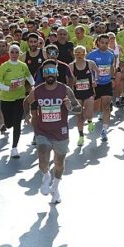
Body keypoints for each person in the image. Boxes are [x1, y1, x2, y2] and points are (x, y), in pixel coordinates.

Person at [23, 59, 81, 203]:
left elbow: (79, 109)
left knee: (59, 162)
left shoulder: (65, 89)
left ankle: (55, 187)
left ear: (57, 73)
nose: (50, 74)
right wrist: (27, 114)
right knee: (42, 156)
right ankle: (46, 176)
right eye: (47, 72)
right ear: (43, 74)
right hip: (42, 131)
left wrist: (70, 107)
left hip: (60, 132)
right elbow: (26, 102)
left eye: (52, 71)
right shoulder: (37, 90)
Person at [0, 44, 35, 158]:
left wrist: (33, 86)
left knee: (17, 123)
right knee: (9, 124)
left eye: (16, 52)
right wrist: (8, 88)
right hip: (6, 98)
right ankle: (6, 125)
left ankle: (14, 148)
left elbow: (29, 76)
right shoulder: (3, 66)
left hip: (20, 97)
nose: (14, 54)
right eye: (12, 52)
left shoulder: (23, 65)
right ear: (9, 53)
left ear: (19, 54)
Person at [87, 34, 115, 141]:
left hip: (106, 83)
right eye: (102, 42)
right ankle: (92, 120)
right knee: (95, 108)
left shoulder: (111, 54)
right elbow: (87, 69)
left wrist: (112, 78)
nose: (104, 45)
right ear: (98, 42)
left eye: (106, 43)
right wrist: (91, 81)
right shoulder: (91, 55)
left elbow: (112, 66)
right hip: (96, 84)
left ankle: (104, 130)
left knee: (107, 106)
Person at [69, 45, 98, 146]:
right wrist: (72, 82)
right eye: (77, 53)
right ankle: (81, 136)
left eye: (82, 53)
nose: (79, 55)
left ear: (85, 54)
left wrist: (95, 80)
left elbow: (97, 71)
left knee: (88, 113)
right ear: (74, 54)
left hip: (88, 92)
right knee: (79, 117)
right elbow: (68, 79)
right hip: (77, 94)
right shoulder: (71, 66)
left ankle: (90, 121)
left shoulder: (90, 63)